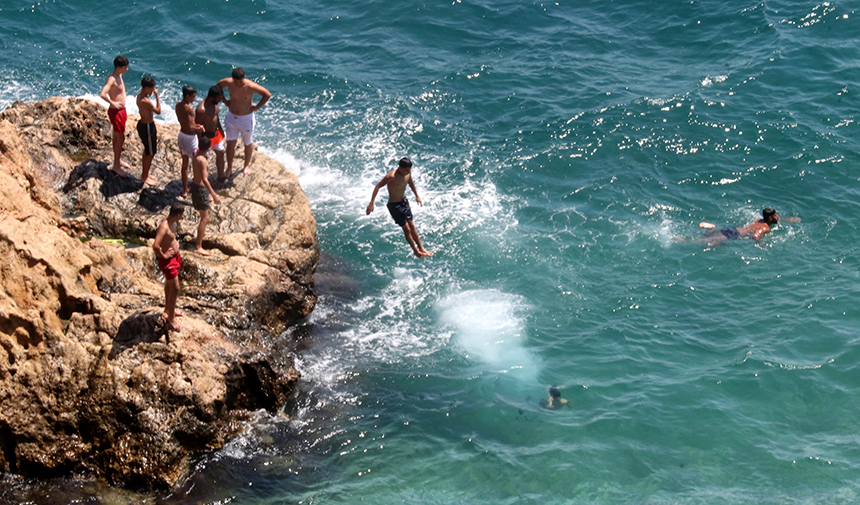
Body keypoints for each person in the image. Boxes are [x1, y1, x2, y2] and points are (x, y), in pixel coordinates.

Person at [366, 157, 433, 258]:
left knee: (412, 225)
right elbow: (378, 186)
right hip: (394, 205)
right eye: (406, 170)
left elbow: (411, 183)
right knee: (406, 229)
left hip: (404, 202)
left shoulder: (407, 173)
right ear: (400, 168)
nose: (408, 172)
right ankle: (415, 251)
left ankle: (421, 248)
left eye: (409, 170)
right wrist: (371, 203)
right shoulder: (391, 176)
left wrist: (417, 196)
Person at [216, 68, 272, 177]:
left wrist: (256, 107)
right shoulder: (229, 82)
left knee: (247, 142)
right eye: (236, 82)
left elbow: (267, 94)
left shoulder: (250, 86)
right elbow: (218, 86)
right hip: (231, 116)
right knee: (230, 143)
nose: (238, 84)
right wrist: (224, 100)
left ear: (244, 77)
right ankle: (229, 167)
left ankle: (246, 165)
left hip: (246, 118)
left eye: (240, 82)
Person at [153, 205, 185, 332]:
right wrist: (164, 255)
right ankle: (171, 318)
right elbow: (155, 246)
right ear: (177, 215)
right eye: (181, 215)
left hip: (174, 257)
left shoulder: (172, 223)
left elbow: (170, 238)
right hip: (168, 260)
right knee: (175, 287)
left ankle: (169, 309)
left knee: (169, 283)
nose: (182, 217)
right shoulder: (164, 226)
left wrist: (175, 243)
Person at [99, 55, 131, 178]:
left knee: (117, 137)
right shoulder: (112, 79)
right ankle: (116, 166)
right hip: (116, 112)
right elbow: (102, 94)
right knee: (120, 137)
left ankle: (117, 160)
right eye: (125, 67)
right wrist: (113, 103)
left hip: (121, 111)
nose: (127, 69)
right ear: (118, 68)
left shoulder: (119, 75)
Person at [697, 208, 801, 245]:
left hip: (733, 229)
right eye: (775, 215)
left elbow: (776, 220)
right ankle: (708, 229)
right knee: (709, 242)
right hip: (736, 235)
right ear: (770, 218)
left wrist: (789, 220)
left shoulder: (760, 220)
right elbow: (755, 235)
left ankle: (710, 228)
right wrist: (760, 245)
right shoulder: (765, 228)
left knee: (710, 237)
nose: (777, 217)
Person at [190, 136, 222, 256]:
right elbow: (204, 179)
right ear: (208, 147)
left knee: (206, 212)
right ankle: (198, 246)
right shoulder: (202, 161)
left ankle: (201, 234)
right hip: (200, 188)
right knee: (205, 218)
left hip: (196, 186)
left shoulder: (196, 157)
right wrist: (213, 194)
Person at [175, 85, 205, 198]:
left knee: (185, 164)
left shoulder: (178, 105)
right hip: (190, 138)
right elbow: (191, 127)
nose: (194, 99)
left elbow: (186, 123)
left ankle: (185, 189)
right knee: (197, 163)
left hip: (182, 135)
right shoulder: (189, 108)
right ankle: (198, 186)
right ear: (187, 96)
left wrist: (197, 125)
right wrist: (200, 128)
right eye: (193, 97)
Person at [195, 86, 227, 182]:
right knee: (204, 159)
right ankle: (201, 180)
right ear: (213, 97)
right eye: (219, 98)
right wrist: (201, 142)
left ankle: (220, 177)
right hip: (206, 136)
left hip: (216, 134)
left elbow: (216, 118)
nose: (220, 100)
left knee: (221, 154)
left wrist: (221, 129)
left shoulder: (215, 105)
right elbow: (198, 126)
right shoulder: (202, 109)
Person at [135, 76, 161, 187]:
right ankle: (144, 177)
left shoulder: (140, 96)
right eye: (152, 88)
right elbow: (158, 111)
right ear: (146, 88)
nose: (153, 90)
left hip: (143, 124)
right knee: (150, 153)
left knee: (147, 150)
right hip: (147, 127)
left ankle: (145, 173)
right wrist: (157, 96)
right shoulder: (145, 101)